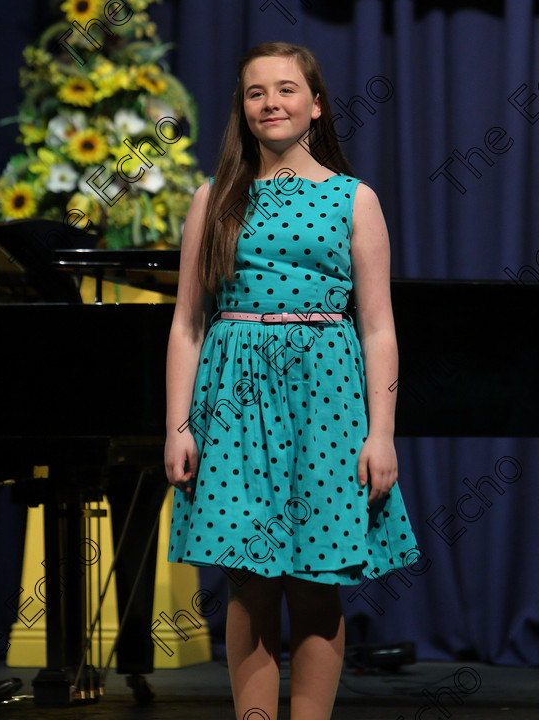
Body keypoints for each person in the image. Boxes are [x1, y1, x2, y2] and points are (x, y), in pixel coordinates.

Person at [164, 41, 418, 720]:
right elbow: (188, 323)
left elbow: (378, 328)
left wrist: (382, 433)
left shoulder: (353, 199)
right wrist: (178, 425)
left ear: (315, 104)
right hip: (235, 405)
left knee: (314, 582)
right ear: (242, 109)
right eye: (255, 92)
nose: (270, 103)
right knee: (248, 583)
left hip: (325, 403)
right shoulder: (213, 198)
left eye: (284, 90)